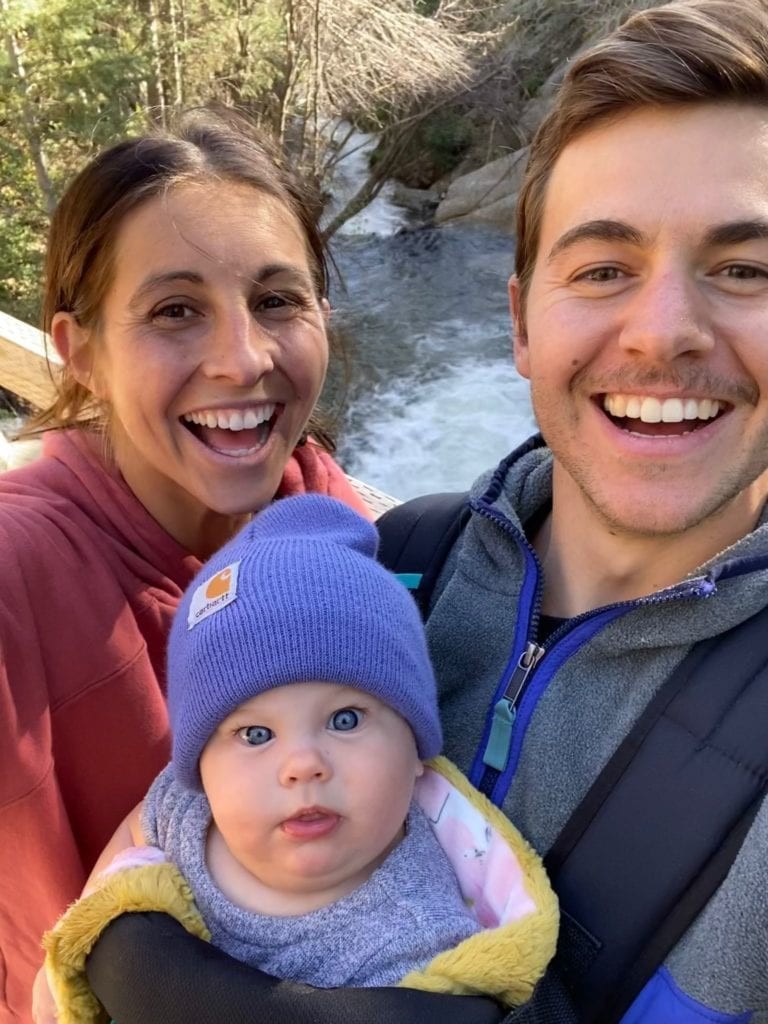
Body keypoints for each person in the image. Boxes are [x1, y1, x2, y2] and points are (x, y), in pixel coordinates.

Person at [82, 1, 768, 1023]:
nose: (663, 331)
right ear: (521, 320)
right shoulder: (396, 565)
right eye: (603, 270)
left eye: (744, 269)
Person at [0, 107, 375, 1024]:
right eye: (176, 311)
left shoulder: (339, 524)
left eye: (277, 301)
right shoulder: (20, 571)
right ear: (80, 353)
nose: (242, 359)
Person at [41, 495, 557, 1023]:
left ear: (416, 749)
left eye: (345, 719)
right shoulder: (181, 811)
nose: (303, 764)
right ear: (200, 772)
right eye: (256, 734)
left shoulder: (416, 943)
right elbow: (108, 879)